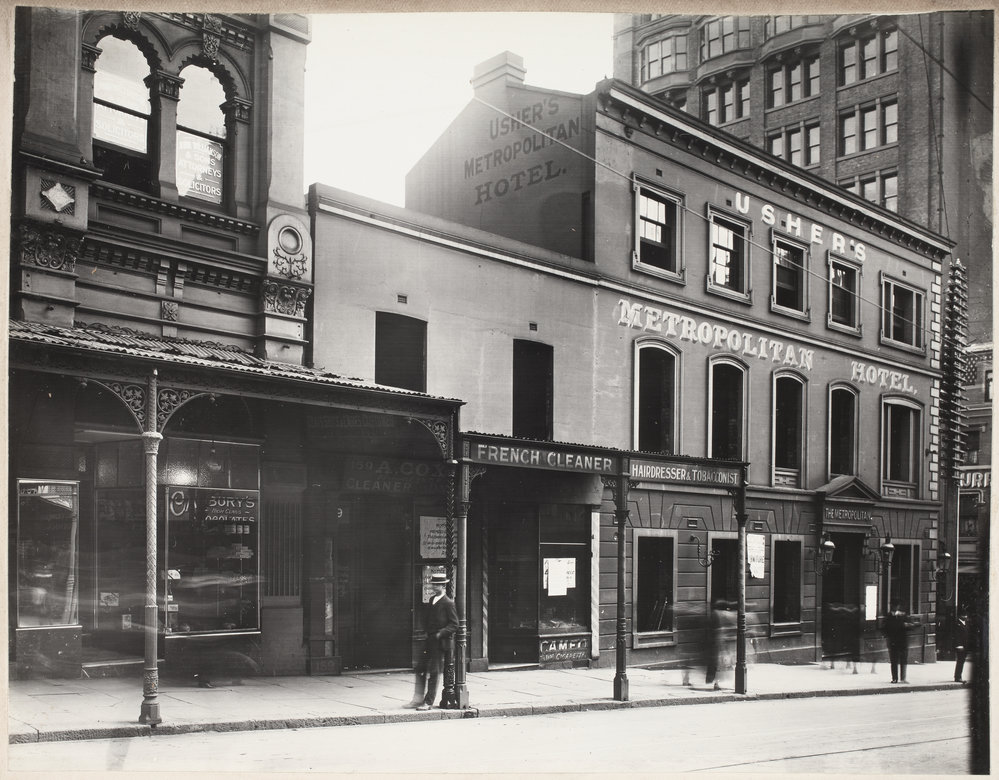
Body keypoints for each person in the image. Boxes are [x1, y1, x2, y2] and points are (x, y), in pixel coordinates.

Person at [405, 571, 458, 710]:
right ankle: (417, 699)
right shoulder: (431, 600)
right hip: (429, 640)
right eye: (433, 584)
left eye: (437, 584)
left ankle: (428, 702)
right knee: (420, 668)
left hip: (440, 643)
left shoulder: (448, 603)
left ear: (443, 586)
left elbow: (454, 624)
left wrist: (441, 634)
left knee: (434, 672)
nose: (434, 586)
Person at [883, 601, 913, 683]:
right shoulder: (889, 616)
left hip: (902, 641)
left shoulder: (903, 615)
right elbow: (885, 628)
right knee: (894, 661)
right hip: (894, 641)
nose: (895, 607)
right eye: (893, 605)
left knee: (903, 660)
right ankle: (895, 678)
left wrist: (907, 625)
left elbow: (910, 626)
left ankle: (902, 678)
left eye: (896, 605)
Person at [952, 612, 969, 683]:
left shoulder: (966, 623)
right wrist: (959, 645)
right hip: (960, 646)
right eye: (964, 615)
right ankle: (958, 677)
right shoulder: (957, 624)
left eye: (966, 615)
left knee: (962, 661)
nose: (965, 616)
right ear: (960, 616)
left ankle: (958, 676)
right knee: (960, 661)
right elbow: (956, 636)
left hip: (965, 646)